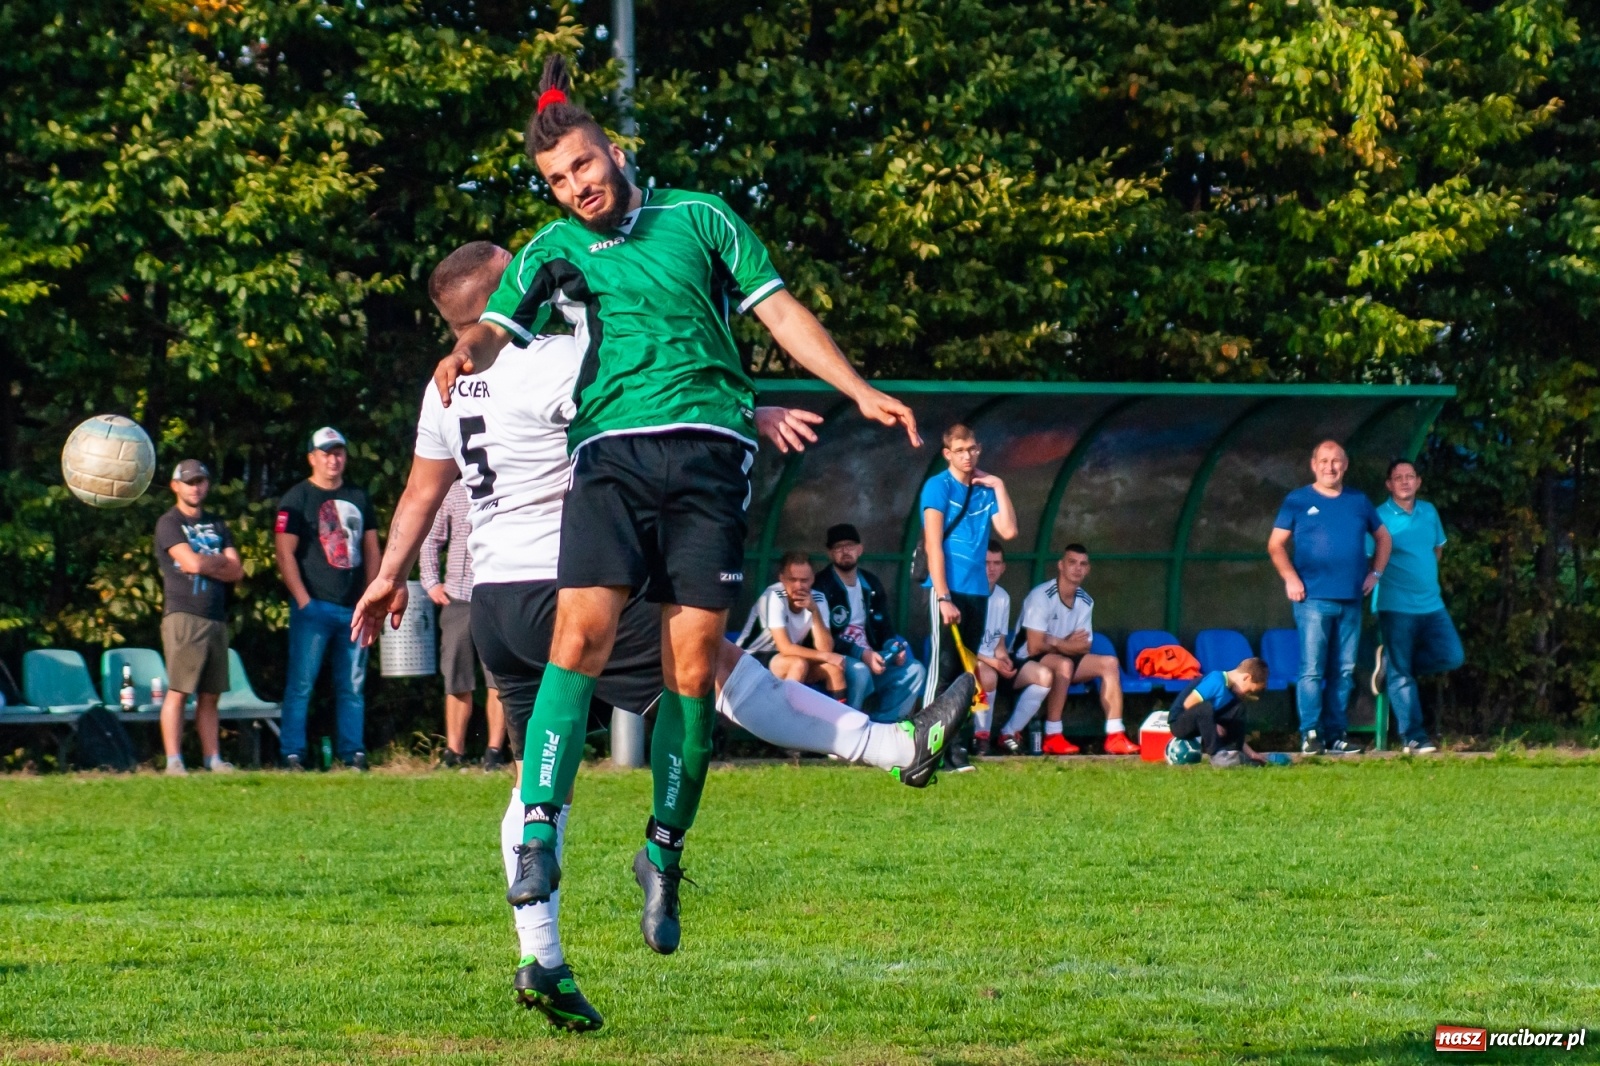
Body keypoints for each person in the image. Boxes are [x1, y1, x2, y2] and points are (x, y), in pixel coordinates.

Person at [348, 242, 970, 1031]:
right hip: (563, 587)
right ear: (502, 295)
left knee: (540, 777)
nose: (541, 276)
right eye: (522, 271)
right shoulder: (553, 360)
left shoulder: (445, 387)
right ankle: (893, 748)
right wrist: (752, 410)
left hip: (498, 601)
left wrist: (387, 575)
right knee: (718, 672)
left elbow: (419, 492)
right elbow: (657, 392)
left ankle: (540, 957)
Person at [428, 57, 921, 950]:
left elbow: (779, 312)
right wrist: (470, 354)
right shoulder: (550, 249)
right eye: (554, 179)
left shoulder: (700, 216)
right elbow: (494, 328)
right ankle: (538, 834)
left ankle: (663, 851)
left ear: (611, 151)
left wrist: (856, 387)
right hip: (611, 461)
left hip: (709, 465)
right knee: (576, 639)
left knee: (694, 675)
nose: (574, 187)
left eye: (581, 165)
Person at [1268, 440, 1392, 756]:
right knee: (1312, 670)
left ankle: (1337, 735)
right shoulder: (1298, 500)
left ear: (1345, 465)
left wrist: (1374, 574)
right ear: (1314, 465)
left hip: (1350, 598)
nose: (1330, 467)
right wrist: (1290, 578)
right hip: (1312, 599)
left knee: (1345, 670)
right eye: (1324, 461)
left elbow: (1383, 539)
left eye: (1336, 461)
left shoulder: (1358, 501)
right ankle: (1310, 735)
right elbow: (1276, 545)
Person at [274, 427, 380, 771]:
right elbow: (284, 552)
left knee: (352, 686)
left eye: (339, 452)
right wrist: (303, 599)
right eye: (326, 453)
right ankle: (292, 753)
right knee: (302, 684)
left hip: (353, 609)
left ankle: (353, 753)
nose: (333, 459)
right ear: (312, 457)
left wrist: (373, 596)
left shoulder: (359, 497)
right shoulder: (296, 498)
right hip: (314, 606)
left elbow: (371, 548)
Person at [921, 423, 1018, 769]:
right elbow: (933, 543)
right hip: (946, 590)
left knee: (967, 672)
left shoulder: (985, 489)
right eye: (960, 450)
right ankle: (928, 750)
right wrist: (943, 596)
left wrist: (1000, 486)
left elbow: (1008, 530)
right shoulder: (938, 486)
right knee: (943, 670)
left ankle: (956, 750)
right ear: (948, 453)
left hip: (977, 591)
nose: (967, 456)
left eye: (973, 449)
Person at [153, 459, 244, 775]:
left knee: (210, 694)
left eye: (200, 481)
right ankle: (174, 761)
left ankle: (212, 759)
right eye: (189, 482)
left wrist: (210, 563)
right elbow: (190, 564)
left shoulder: (218, 523)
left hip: (216, 616)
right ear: (176, 486)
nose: (196, 487)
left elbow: (237, 571)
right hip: (184, 615)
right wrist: (218, 561)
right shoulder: (169, 523)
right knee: (179, 690)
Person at [1006, 545, 1140, 755]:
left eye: (1083, 564)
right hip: (1026, 660)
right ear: (1061, 566)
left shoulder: (1086, 601)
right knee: (1064, 664)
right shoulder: (1041, 596)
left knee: (1109, 663)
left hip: (1061, 654)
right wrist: (1066, 643)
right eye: (1072, 562)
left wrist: (1057, 641)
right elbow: (1034, 646)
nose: (1077, 568)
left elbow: (1084, 645)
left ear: (1088, 570)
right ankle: (1053, 735)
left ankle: (1115, 735)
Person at [1373, 459, 1461, 754]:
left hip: (1432, 604)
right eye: (1398, 478)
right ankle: (1414, 737)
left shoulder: (1429, 511)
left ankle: (1392, 664)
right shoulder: (1379, 516)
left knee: (1451, 656)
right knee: (1402, 673)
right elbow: (1371, 557)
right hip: (1396, 606)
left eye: (1410, 477)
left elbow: (1437, 549)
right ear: (1389, 484)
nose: (1405, 482)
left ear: (1418, 482)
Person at [421, 479, 508, 770]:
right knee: (456, 677)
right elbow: (430, 537)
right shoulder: (454, 490)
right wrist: (431, 582)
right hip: (458, 597)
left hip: (499, 593)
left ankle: (494, 752)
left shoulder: (510, 484)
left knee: (499, 678)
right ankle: (453, 752)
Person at [813, 523, 926, 722]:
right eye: (838, 547)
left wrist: (892, 646)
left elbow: (884, 627)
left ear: (860, 549)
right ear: (830, 553)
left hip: (873, 657)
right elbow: (822, 639)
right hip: (841, 659)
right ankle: (849, 731)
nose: (845, 551)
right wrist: (861, 654)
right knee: (859, 670)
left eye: (850, 545)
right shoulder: (821, 585)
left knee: (915, 670)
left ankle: (883, 727)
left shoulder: (871, 582)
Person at [737, 552, 848, 701]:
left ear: (813, 579)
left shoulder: (818, 599)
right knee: (798, 664)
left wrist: (814, 611)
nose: (799, 586)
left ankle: (840, 721)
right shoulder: (774, 595)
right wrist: (827, 656)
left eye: (804, 580)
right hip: (752, 658)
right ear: (782, 578)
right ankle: (781, 718)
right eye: (793, 580)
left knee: (834, 670)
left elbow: (825, 648)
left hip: (786, 659)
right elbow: (785, 647)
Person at [969, 543, 1047, 754]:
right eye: (986, 563)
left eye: (996, 563)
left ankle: (1009, 733)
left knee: (1044, 676)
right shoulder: (967, 594)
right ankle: (981, 736)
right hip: (968, 660)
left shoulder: (1003, 597)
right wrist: (993, 662)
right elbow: (963, 644)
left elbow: (999, 641)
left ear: (1003, 567)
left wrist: (1004, 658)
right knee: (989, 676)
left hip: (992, 662)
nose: (991, 569)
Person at [1168, 658, 1269, 765]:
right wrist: (1213, 724)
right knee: (1204, 707)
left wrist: (1251, 754)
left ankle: (1233, 754)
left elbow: (1234, 727)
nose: (1246, 694)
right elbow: (1188, 704)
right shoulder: (1216, 680)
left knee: (1238, 708)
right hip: (1179, 723)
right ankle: (1217, 755)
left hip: (1203, 721)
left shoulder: (1230, 693)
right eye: (1249, 690)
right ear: (1246, 677)